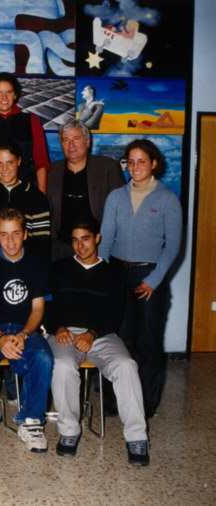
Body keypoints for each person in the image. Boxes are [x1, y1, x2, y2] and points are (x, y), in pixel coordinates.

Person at [47, 217, 149, 465]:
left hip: (102, 335)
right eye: (75, 240)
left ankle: (137, 437)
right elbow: (47, 307)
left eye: (85, 239)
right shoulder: (58, 269)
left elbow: (116, 314)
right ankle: (69, 431)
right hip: (65, 333)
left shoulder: (113, 273)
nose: (80, 246)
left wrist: (92, 333)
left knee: (126, 365)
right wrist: (57, 327)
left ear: (97, 239)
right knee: (62, 366)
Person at [99, 139, 182, 419]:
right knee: (118, 341)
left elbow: (173, 246)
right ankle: (115, 400)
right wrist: (102, 276)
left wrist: (154, 280)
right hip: (116, 273)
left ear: (154, 163)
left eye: (142, 161)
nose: (135, 167)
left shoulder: (167, 199)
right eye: (130, 161)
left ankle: (147, 403)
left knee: (148, 342)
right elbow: (105, 239)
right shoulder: (116, 197)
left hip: (149, 276)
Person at [0, 207, 54, 453]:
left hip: (26, 328)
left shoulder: (37, 263)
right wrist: (0, 338)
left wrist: (24, 335)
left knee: (43, 357)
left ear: (25, 233)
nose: (10, 240)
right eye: (3, 234)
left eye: (15, 233)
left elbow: (38, 308)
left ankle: (31, 420)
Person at [48, 119, 124, 261]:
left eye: (76, 139)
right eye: (65, 140)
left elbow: (121, 212)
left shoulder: (108, 168)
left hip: (98, 248)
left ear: (87, 142)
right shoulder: (51, 172)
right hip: (60, 248)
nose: (71, 145)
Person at [0, 72, 50, 192]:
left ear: (15, 95)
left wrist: (41, 197)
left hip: (25, 193)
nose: (4, 97)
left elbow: (41, 164)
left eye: (9, 92)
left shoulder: (31, 122)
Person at [0, 139, 50, 261]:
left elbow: (42, 245)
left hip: (25, 267)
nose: (4, 169)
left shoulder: (36, 197)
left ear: (19, 161)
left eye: (10, 162)